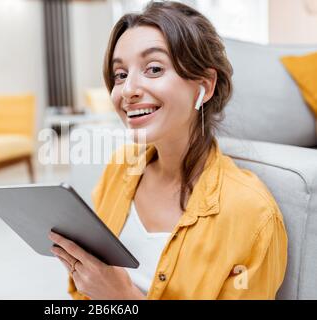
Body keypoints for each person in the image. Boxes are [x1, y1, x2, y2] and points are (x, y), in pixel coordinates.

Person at [49, 0, 288, 300]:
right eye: (120, 74)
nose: (127, 90)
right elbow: (81, 291)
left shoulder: (252, 214)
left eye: (153, 68)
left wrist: (123, 298)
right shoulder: (120, 167)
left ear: (205, 86)